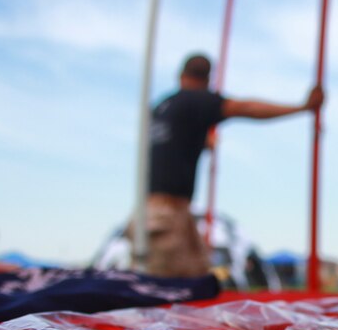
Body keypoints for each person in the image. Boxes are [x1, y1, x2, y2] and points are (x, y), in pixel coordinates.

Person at [138, 53, 324, 278]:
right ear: (208, 80)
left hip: (161, 209)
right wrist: (303, 108)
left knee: (196, 277)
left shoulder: (164, 107)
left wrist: (203, 142)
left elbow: (170, 146)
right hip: (167, 214)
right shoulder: (197, 100)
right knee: (167, 287)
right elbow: (246, 108)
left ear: (181, 75)